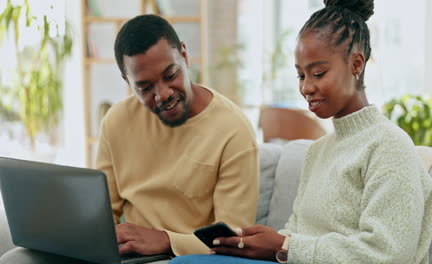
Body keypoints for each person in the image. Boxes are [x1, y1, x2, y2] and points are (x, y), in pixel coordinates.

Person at [169, 0, 432, 263]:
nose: (306, 87)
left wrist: (285, 245)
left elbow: (388, 253)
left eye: (318, 73)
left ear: (356, 64)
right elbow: (298, 232)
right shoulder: (318, 150)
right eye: (300, 75)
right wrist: (266, 242)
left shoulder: (389, 146)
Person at [0, 14, 259, 264]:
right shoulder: (117, 121)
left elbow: (234, 239)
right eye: (145, 88)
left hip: (183, 258)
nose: (163, 94)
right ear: (127, 81)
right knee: (17, 259)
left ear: (184, 55)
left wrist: (167, 240)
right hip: (127, 256)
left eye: (171, 75)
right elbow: (101, 214)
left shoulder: (233, 130)